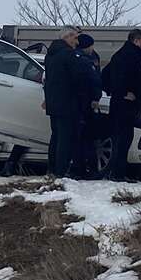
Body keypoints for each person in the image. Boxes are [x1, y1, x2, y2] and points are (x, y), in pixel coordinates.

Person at [102, 28, 141, 182]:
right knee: (122, 139)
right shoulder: (128, 56)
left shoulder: (124, 55)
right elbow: (111, 77)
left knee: (123, 138)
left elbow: (106, 75)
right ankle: (117, 173)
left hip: (122, 105)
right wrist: (122, 93)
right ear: (136, 41)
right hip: (125, 106)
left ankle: (118, 172)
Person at [42, 28, 80, 178]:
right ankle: (61, 171)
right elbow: (76, 78)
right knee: (65, 138)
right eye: (75, 38)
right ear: (68, 37)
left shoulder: (50, 55)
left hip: (53, 101)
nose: (76, 42)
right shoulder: (68, 54)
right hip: (67, 101)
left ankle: (52, 168)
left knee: (56, 136)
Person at [70, 34, 103, 178]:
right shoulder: (86, 61)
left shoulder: (73, 58)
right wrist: (96, 97)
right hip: (86, 103)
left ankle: (79, 168)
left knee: (78, 138)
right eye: (91, 45)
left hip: (76, 103)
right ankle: (89, 169)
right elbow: (95, 80)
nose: (92, 48)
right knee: (87, 138)